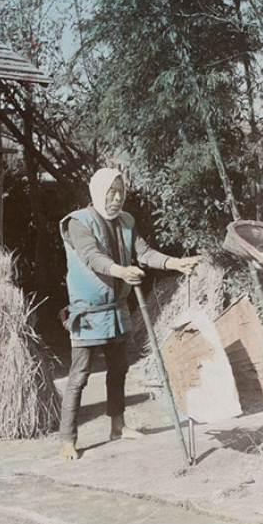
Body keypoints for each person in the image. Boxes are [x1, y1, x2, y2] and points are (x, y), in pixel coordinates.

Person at [58, 168, 201, 461]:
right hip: (88, 313)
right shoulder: (78, 223)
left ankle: (118, 426)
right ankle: (67, 439)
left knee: (118, 369)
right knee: (79, 376)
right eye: (111, 193)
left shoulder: (126, 221)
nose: (117, 198)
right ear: (98, 193)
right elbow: (91, 256)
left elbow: (144, 253)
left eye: (121, 192)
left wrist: (174, 263)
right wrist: (121, 271)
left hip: (117, 309)